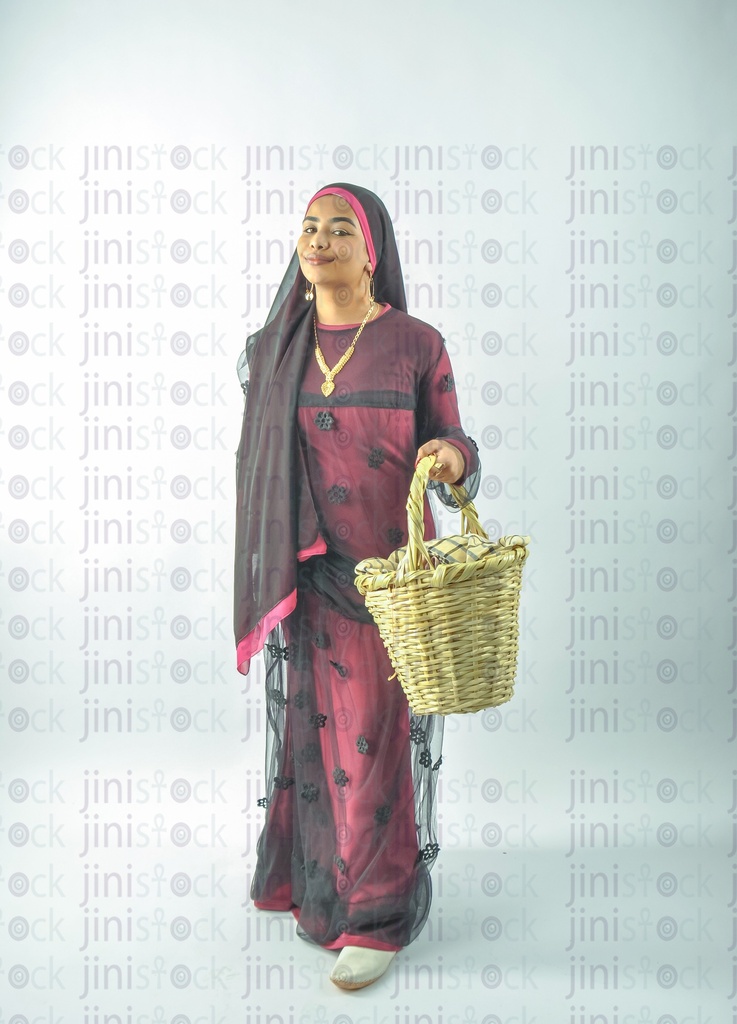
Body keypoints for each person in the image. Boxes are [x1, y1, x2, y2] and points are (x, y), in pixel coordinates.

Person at [234, 183, 480, 990]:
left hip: (390, 581)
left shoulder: (413, 342)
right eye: (309, 227)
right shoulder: (278, 347)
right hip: (308, 575)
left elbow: (451, 434)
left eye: (339, 228)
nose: (319, 239)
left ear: (370, 248)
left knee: (371, 743)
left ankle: (374, 914)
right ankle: (314, 889)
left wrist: (451, 460)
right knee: (313, 737)